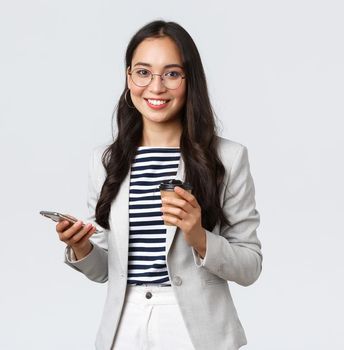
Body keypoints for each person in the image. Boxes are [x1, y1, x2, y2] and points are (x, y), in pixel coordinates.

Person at [54, 20, 262, 350]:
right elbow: (106, 270)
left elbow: (250, 266)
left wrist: (199, 238)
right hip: (124, 325)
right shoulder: (106, 161)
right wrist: (81, 247)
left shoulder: (228, 157)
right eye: (143, 72)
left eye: (172, 74)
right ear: (128, 78)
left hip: (196, 329)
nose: (156, 87)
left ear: (189, 80)